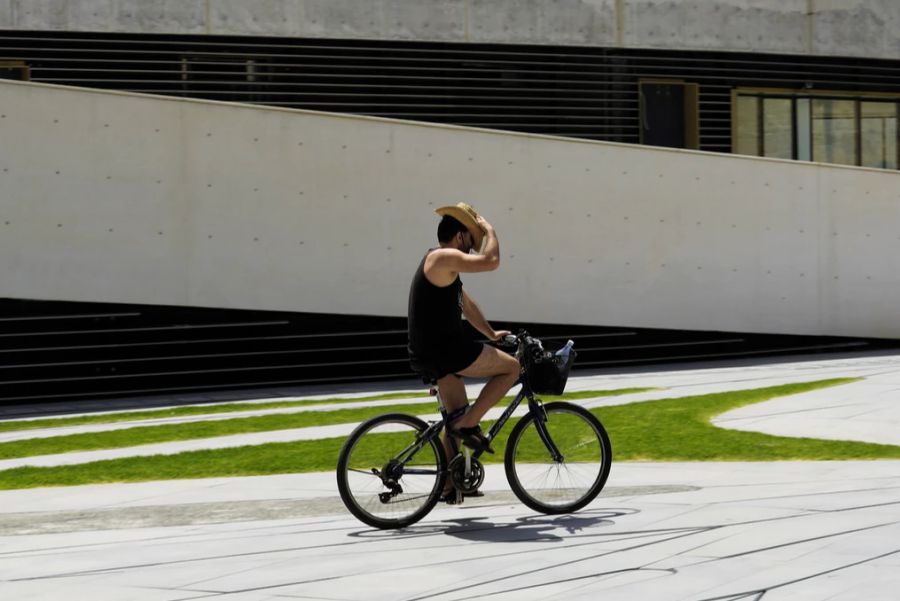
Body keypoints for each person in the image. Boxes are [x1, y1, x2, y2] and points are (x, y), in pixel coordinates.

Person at [407, 202, 520, 473]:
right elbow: (490, 261)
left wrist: (492, 334)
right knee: (513, 368)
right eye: (471, 239)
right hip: (444, 350)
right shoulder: (440, 258)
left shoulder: (446, 271)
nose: (472, 247)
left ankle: (450, 484)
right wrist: (491, 231)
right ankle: (467, 424)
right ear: (459, 236)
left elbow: (466, 307)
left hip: (434, 352)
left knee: (456, 419)